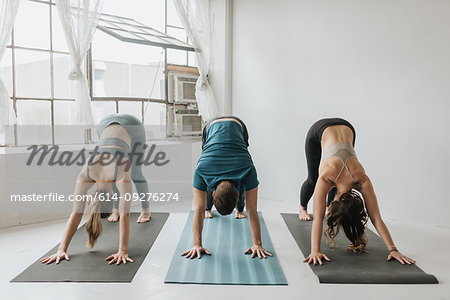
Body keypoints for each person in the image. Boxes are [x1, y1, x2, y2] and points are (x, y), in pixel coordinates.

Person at [299, 118, 415, 265]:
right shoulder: (327, 177)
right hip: (319, 130)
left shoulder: (362, 180)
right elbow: (317, 218)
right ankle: (302, 207)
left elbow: (376, 218)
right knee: (312, 179)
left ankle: (320, 206)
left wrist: (393, 250)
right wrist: (314, 251)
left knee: (328, 190)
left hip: (348, 128)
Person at [39, 113, 150, 265]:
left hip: (131, 125)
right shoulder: (87, 174)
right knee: (127, 180)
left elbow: (76, 214)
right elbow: (123, 216)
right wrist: (122, 251)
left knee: (136, 174)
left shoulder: (95, 175)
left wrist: (62, 249)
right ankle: (121, 209)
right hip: (102, 123)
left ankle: (146, 211)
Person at [182, 116, 272, 259]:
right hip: (225, 124)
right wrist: (257, 244)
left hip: (228, 125)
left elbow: (198, 208)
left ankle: (233, 209)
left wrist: (196, 244)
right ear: (237, 194)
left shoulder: (202, 170)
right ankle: (225, 209)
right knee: (240, 181)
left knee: (203, 205)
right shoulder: (247, 169)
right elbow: (252, 210)